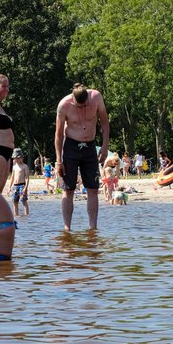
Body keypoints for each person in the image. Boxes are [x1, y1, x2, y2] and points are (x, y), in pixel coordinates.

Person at [54, 82, 110, 232]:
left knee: (92, 188)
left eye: (85, 105)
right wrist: (59, 160)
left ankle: (93, 227)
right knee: (68, 189)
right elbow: (58, 134)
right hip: (71, 147)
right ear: (73, 100)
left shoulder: (96, 97)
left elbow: (104, 121)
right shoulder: (64, 105)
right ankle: (67, 228)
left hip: (90, 146)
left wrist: (105, 146)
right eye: (79, 106)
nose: (82, 108)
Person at [9, 148, 30, 216]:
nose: (16, 160)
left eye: (18, 158)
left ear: (22, 158)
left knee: (24, 201)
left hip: (22, 185)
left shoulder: (25, 166)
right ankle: (16, 215)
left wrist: (25, 187)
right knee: (15, 202)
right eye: (15, 158)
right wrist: (10, 187)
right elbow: (12, 177)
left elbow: (27, 177)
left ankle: (26, 215)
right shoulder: (14, 167)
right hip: (15, 186)